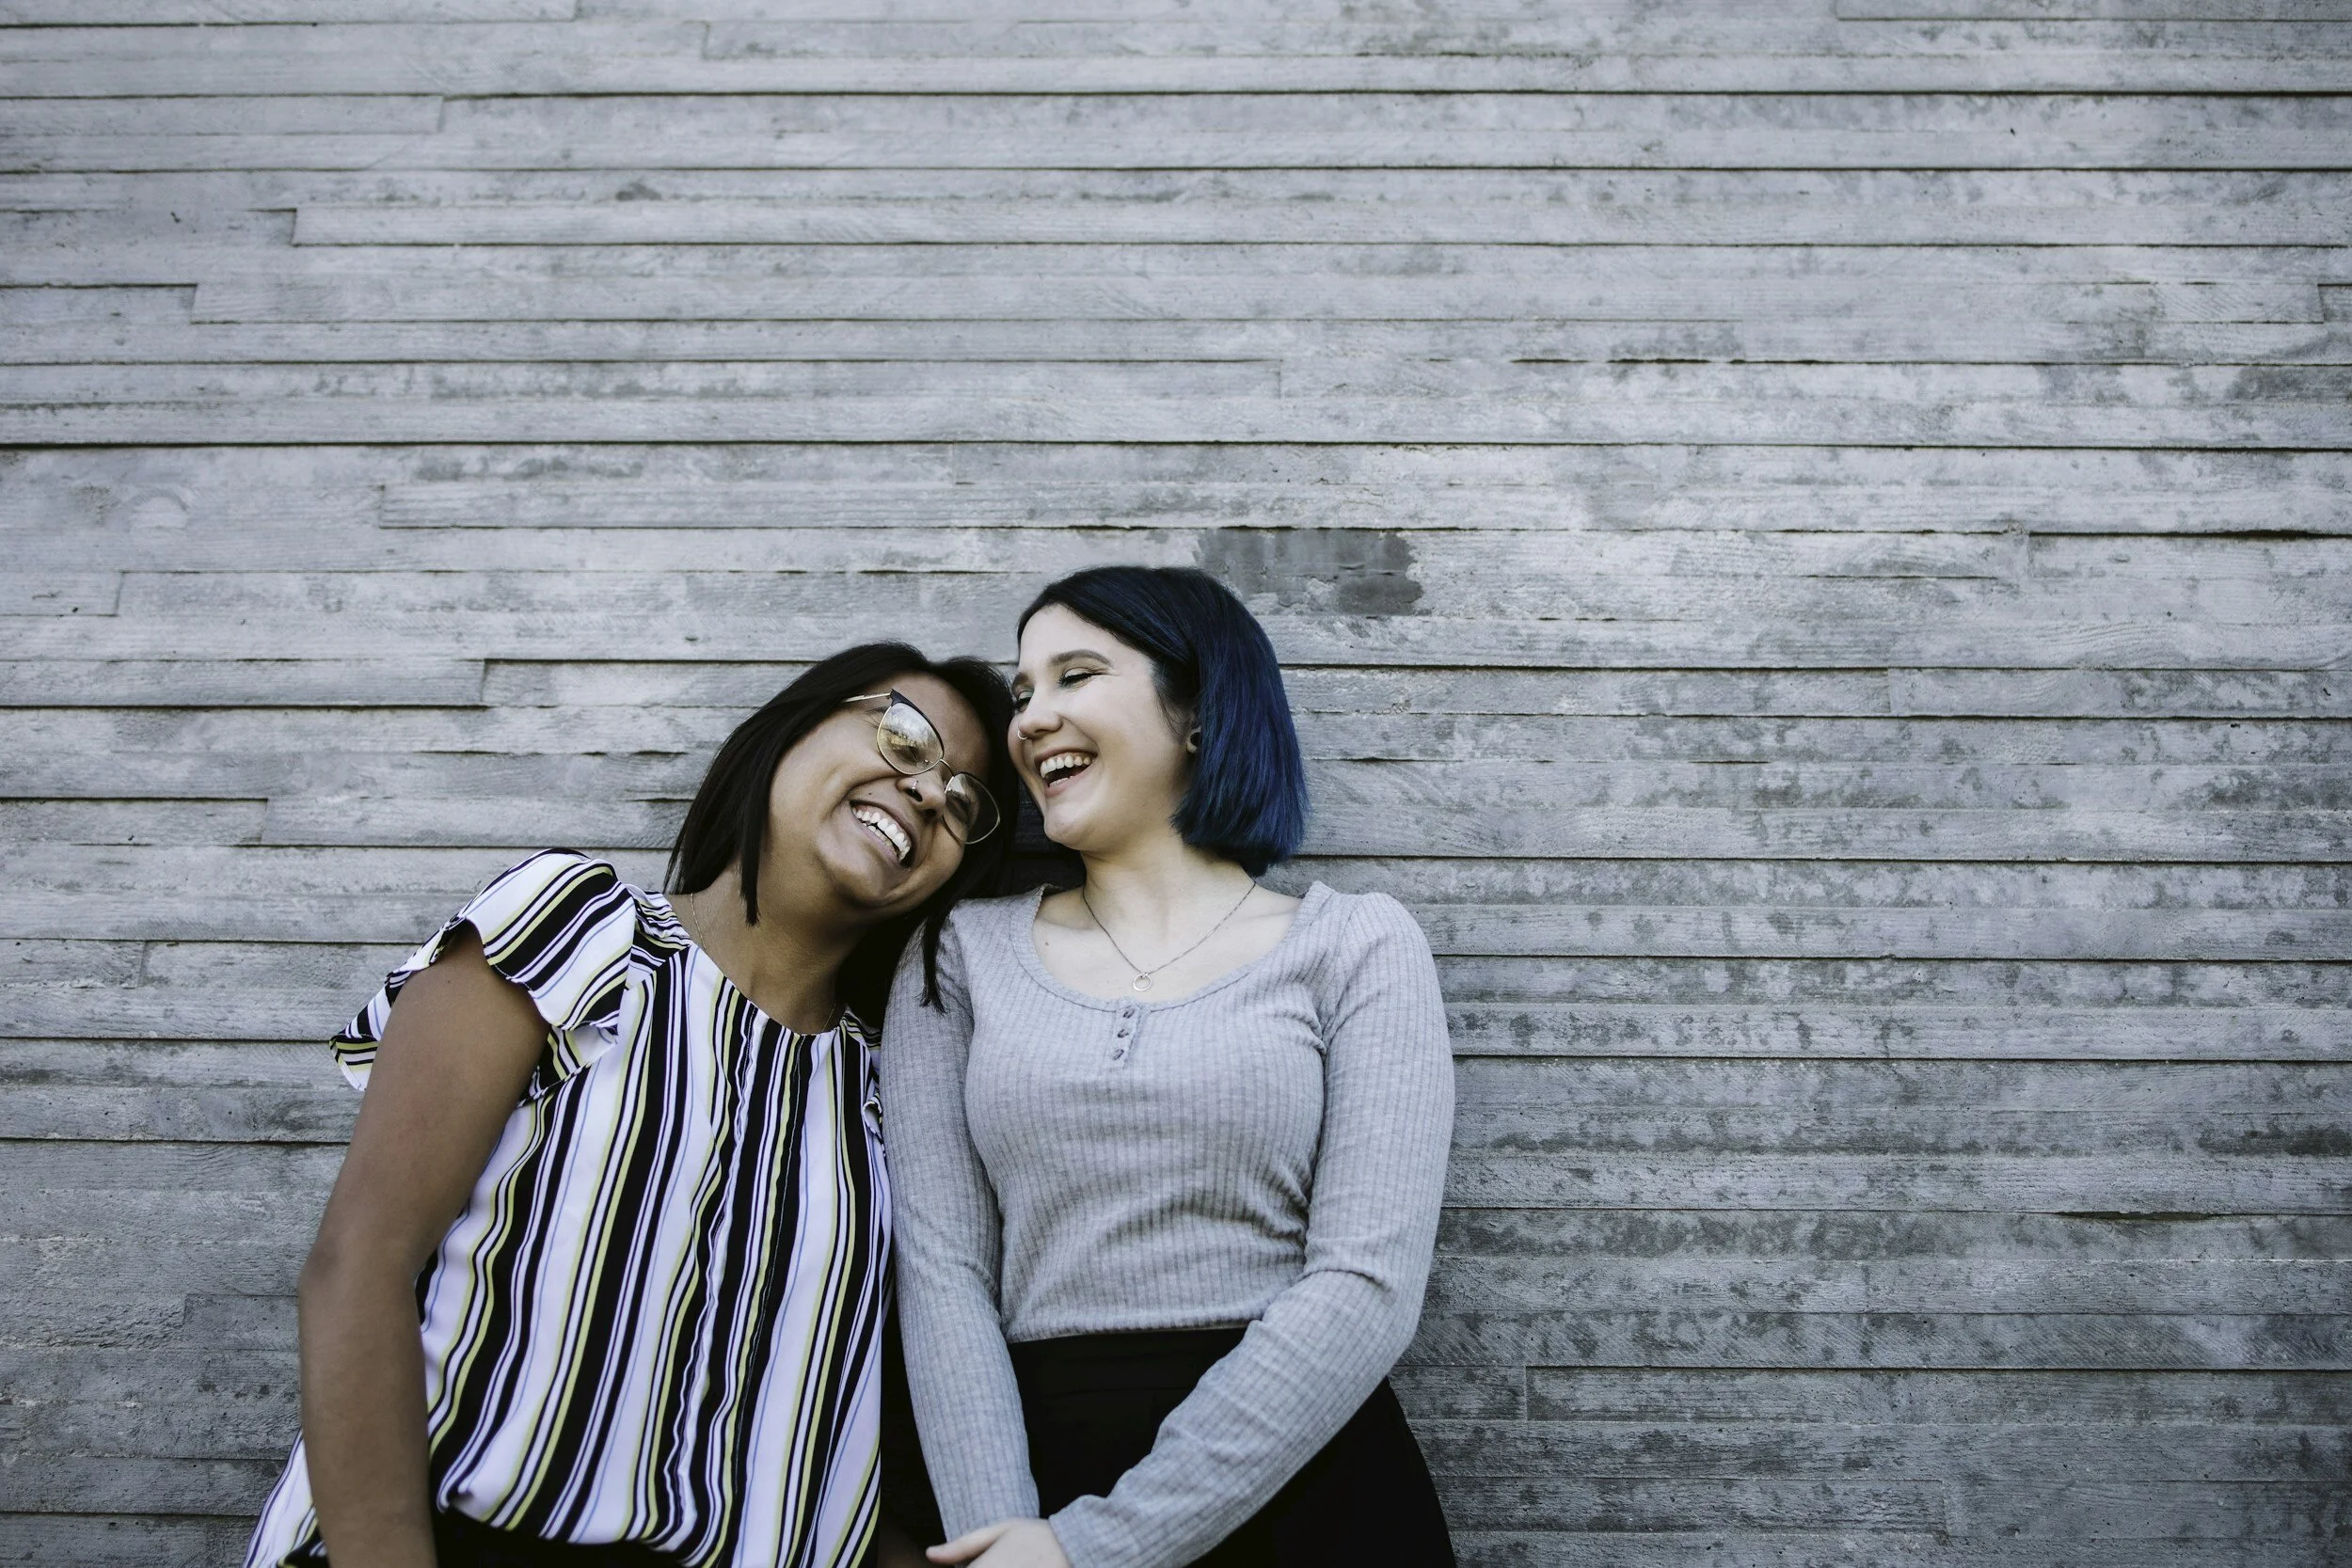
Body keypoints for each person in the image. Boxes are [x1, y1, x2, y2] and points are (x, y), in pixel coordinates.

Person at [246, 642, 1018, 1568]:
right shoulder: (586, 934)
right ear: (793, 727)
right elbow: (356, 1264)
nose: (932, 792)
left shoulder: (887, 1096)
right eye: (903, 736)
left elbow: (827, 1455)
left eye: (965, 801)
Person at [879, 567, 1457, 1568]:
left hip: (1306, 1481)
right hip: (1030, 1479)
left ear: (1196, 709)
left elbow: (1365, 1281)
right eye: (1022, 693)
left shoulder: (1355, 943)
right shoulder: (958, 953)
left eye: (1075, 675)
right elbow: (940, 1272)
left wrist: (1098, 1548)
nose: (1029, 718)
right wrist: (1003, 1541)